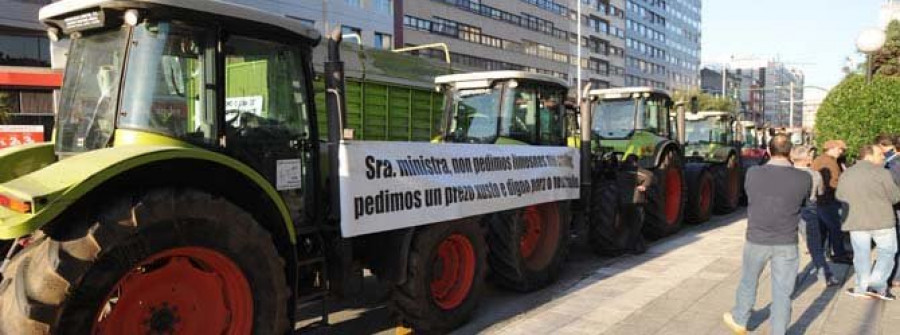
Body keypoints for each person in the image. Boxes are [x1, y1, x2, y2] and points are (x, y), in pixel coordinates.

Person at [723, 134, 810, 335]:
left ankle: (740, 320)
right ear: (790, 152)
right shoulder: (804, 178)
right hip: (787, 241)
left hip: (756, 239)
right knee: (783, 292)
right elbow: (802, 204)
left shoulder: (753, 172)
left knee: (748, 281)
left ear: (769, 151)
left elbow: (751, 196)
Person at [837, 144, 900, 300]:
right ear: (869, 155)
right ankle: (877, 285)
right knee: (887, 252)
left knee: (861, 255)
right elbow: (895, 197)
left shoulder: (847, 174)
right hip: (882, 220)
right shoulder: (882, 173)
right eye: (879, 154)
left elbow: (839, 195)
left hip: (856, 220)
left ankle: (861, 287)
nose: (883, 157)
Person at [792, 145, 839, 286]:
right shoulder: (815, 174)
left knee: (789, 247)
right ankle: (826, 276)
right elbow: (820, 193)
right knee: (815, 246)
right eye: (810, 155)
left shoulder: (787, 173)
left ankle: (791, 279)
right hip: (809, 209)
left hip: (789, 211)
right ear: (807, 158)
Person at [812, 140, 852, 264]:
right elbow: (833, 182)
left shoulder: (820, 159)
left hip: (821, 199)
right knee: (835, 228)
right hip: (828, 199)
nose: (841, 152)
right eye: (840, 149)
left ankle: (822, 253)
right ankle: (839, 254)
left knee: (824, 229)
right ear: (832, 148)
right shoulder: (829, 162)